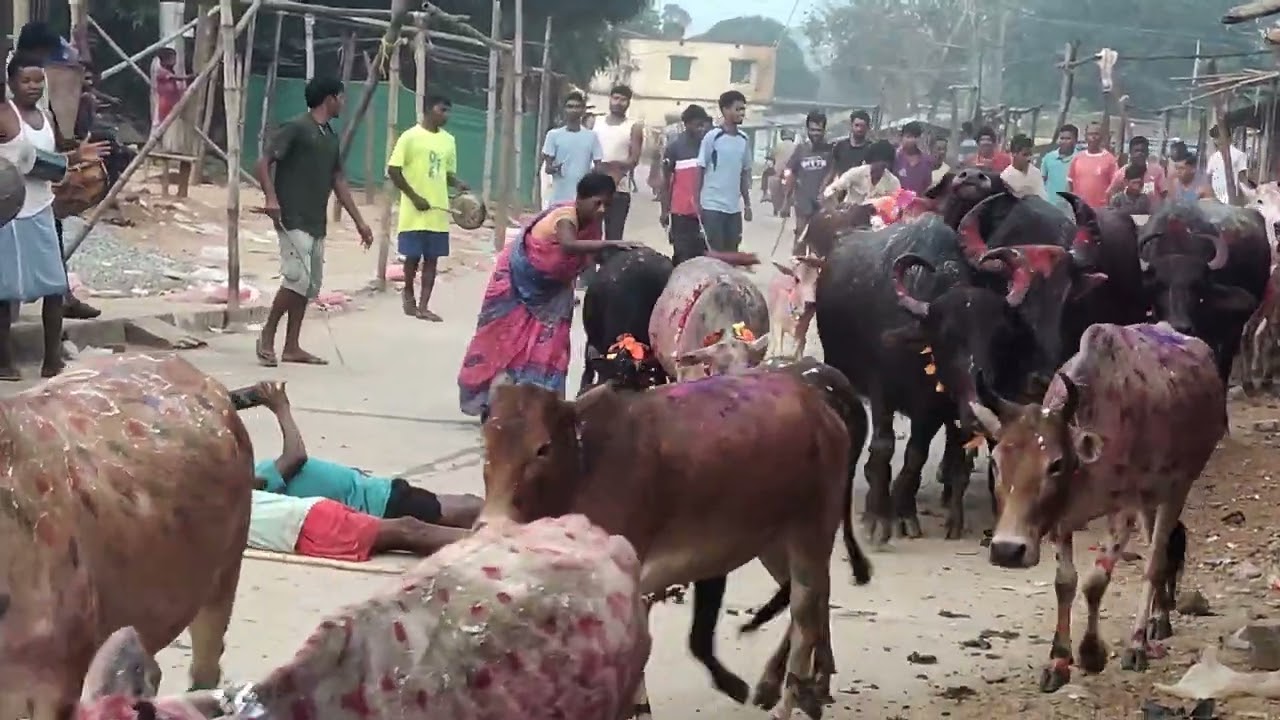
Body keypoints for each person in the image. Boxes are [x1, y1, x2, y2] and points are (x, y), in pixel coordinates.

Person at [458, 172, 641, 418]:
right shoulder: (566, 217)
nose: (601, 210)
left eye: (606, 204)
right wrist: (609, 244)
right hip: (517, 284)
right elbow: (568, 245)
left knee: (551, 347)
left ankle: (538, 404)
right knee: (501, 342)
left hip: (554, 293)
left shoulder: (592, 226)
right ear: (580, 199)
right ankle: (494, 401)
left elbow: (589, 256)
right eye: (596, 203)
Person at [0, 53, 106, 380]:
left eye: (37, 80)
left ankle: (52, 359)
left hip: (41, 208)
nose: (33, 86)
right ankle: (4, 363)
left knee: (54, 287)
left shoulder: (47, 116)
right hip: (9, 213)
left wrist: (73, 158)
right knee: (4, 293)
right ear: (11, 82)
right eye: (25, 80)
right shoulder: (5, 114)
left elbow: (51, 157)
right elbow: (28, 160)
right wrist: (70, 158)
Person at [255, 76, 374, 367]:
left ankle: (292, 345)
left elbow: (338, 179)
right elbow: (262, 163)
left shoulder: (330, 136)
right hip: (292, 215)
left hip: (315, 218)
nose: (344, 103)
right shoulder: (296, 127)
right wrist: (271, 198)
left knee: (310, 285)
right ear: (329, 99)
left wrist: (359, 221)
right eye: (341, 97)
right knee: (297, 278)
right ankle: (267, 335)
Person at [252, 380, 481, 528]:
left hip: (378, 493)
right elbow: (296, 456)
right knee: (470, 510)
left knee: (469, 506)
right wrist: (281, 407)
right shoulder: (253, 483)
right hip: (379, 504)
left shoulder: (253, 476)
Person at [12, 22, 101, 321]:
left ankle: (60, 298)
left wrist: (66, 154)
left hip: (37, 195)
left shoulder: (40, 81)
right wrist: (67, 159)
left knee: (50, 249)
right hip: (12, 190)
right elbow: (23, 155)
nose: (34, 86)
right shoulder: (14, 87)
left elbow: (45, 130)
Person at [387, 94, 468, 322]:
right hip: (414, 210)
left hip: (438, 209)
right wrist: (413, 197)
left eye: (448, 111)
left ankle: (424, 306)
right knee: (412, 257)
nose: (446, 116)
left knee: (432, 258)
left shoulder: (448, 141)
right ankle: (409, 294)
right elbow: (394, 170)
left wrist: (458, 182)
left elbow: (446, 173)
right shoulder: (410, 137)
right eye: (442, 110)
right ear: (428, 110)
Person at [697, 90, 754, 252]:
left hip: (733, 209)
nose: (742, 113)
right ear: (725, 110)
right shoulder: (712, 137)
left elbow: (744, 174)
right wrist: (696, 202)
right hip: (712, 206)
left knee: (732, 253)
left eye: (743, 109)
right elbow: (700, 169)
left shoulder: (744, 139)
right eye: (738, 109)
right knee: (715, 253)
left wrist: (747, 205)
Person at [660, 104, 712, 265]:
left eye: (703, 125)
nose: (701, 129)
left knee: (704, 257)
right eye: (697, 125)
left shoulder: (710, 147)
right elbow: (666, 182)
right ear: (687, 124)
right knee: (683, 256)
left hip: (706, 211)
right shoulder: (674, 148)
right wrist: (665, 211)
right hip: (681, 212)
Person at [594, 84, 644, 241]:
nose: (618, 102)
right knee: (591, 235)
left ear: (629, 103)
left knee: (614, 238)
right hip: (593, 188)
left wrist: (614, 167)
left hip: (619, 189)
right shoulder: (595, 122)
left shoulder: (633, 126)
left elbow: (633, 159)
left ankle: (609, 266)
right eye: (616, 98)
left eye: (623, 100)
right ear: (610, 99)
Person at [540, 92, 601, 211]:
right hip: (559, 197)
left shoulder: (592, 136)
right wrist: (554, 168)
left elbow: (598, 167)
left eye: (577, 107)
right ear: (564, 110)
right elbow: (548, 168)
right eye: (570, 106)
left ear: (583, 110)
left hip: (582, 197)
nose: (573, 110)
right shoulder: (553, 135)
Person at [785, 109, 833, 253]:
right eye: (812, 130)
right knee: (801, 234)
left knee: (821, 240)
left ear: (824, 130)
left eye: (819, 130)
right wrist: (786, 201)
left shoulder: (831, 151)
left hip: (823, 203)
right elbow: (791, 173)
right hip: (803, 202)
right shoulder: (801, 150)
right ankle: (796, 267)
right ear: (807, 130)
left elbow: (834, 172)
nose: (815, 134)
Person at [822, 139, 900, 205]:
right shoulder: (856, 173)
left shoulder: (893, 182)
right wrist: (833, 201)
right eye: (878, 163)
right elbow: (834, 188)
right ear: (872, 161)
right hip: (851, 216)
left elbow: (896, 203)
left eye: (884, 165)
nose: (880, 167)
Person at [1066, 122, 1118, 209]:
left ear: (1101, 137)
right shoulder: (1077, 158)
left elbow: (1115, 186)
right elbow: (1069, 183)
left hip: (1100, 211)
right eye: (1090, 134)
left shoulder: (1110, 160)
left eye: (1096, 134)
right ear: (1085, 137)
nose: (1093, 137)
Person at [1108, 136, 1165, 210]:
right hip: (1127, 217)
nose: (1140, 154)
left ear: (1147, 153)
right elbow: (1111, 194)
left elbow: (1165, 195)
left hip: (1152, 218)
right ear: (1130, 153)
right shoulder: (1121, 173)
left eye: (1143, 151)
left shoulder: (1157, 171)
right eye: (1137, 151)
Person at [827, 109, 872, 182]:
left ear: (867, 127)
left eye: (862, 126)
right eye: (856, 125)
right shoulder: (840, 146)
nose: (859, 129)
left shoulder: (871, 149)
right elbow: (832, 170)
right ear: (851, 125)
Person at [1206, 128, 1249, 204]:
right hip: (1215, 196)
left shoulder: (1239, 155)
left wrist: (1245, 194)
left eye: (1219, 137)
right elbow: (1209, 177)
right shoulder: (1213, 157)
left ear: (1229, 138)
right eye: (1215, 138)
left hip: (1231, 196)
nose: (1217, 140)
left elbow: (1242, 178)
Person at [1000, 134, 1047, 200]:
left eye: (1030, 154)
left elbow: (1043, 198)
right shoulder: (1005, 177)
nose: (1029, 158)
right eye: (1025, 155)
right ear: (1014, 153)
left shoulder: (1036, 173)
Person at [894, 122, 932, 194]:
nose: (912, 140)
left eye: (915, 137)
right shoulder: (895, 157)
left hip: (918, 202)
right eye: (908, 136)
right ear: (901, 137)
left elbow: (928, 186)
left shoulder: (927, 161)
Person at [1041, 124, 1078, 198]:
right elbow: (1042, 180)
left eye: (1068, 139)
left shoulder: (1079, 159)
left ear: (1075, 140)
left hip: (1071, 206)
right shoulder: (1049, 158)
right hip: (1050, 205)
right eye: (1062, 138)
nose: (1064, 141)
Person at [769, 129, 797, 215]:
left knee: (773, 186)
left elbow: (772, 156)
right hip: (791, 172)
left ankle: (766, 195)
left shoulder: (778, 146)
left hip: (779, 171)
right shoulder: (796, 147)